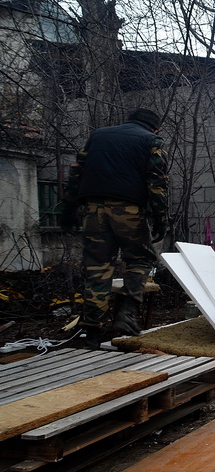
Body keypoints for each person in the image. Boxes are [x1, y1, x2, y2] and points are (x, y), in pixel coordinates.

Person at [60, 108, 169, 349]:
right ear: (154, 128)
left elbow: (77, 172)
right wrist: (161, 218)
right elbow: (157, 183)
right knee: (140, 258)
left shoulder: (98, 135)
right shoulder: (152, 141)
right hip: (128, 210)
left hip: (93, 209)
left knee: (97, 267)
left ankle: (92, 333)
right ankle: (127, 311)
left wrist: (68, 208)